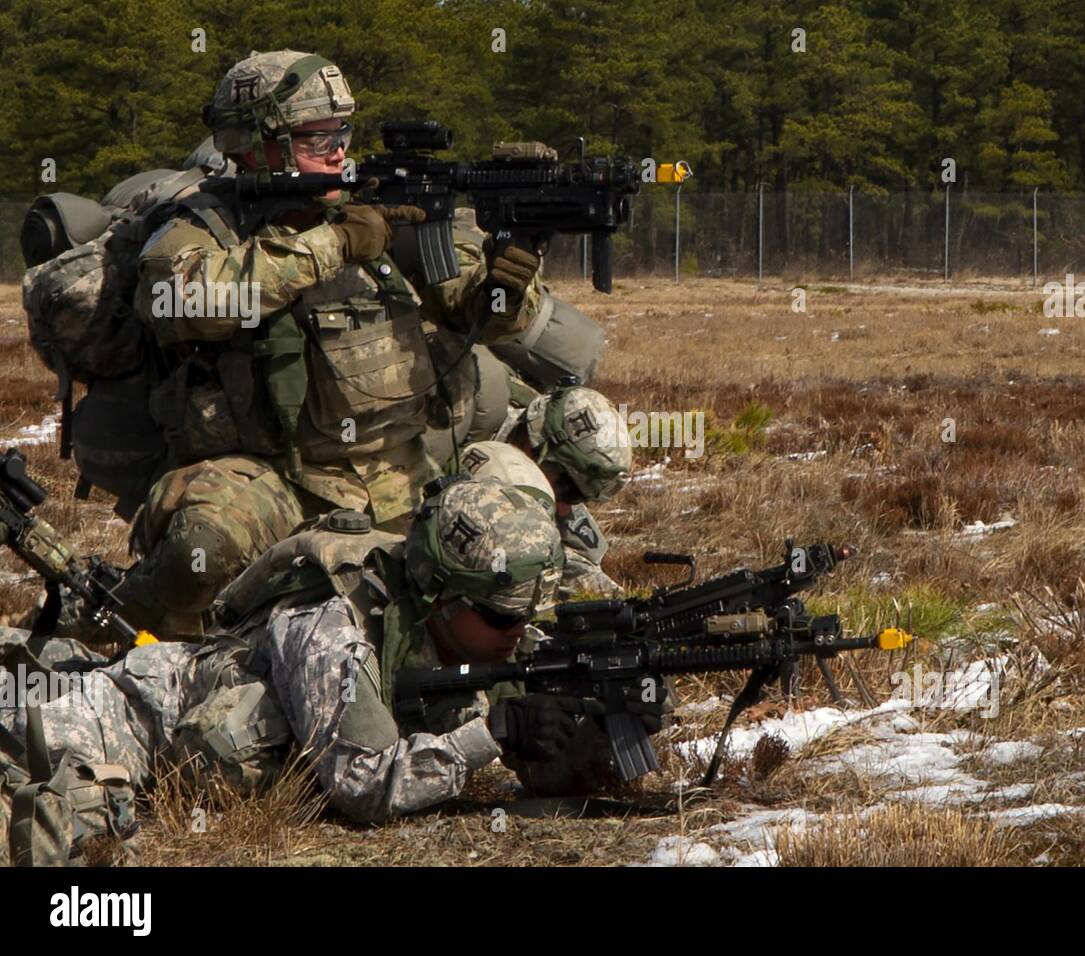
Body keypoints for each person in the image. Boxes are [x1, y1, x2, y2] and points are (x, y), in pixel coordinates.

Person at [0, 476, 662, 866]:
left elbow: (550, 761)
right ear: (440, 593)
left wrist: (597, 719)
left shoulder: (484, 634)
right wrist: (490, 735)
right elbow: (361, 784)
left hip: (164, 772)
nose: (517, 632)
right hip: (119, 725)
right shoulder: (332, 621)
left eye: (524, 614)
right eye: (498, 615)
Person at [111, 49, 544, 638]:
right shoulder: (206, 224)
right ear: (253, 144)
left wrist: (507, 282)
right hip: (275, 482)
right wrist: (335, 244)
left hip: (404, 473)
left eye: (342, 132)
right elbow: (183, 302)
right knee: (204, 547)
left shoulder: (384, 203)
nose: (338, 150)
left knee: (512, 554)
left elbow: (484, 316)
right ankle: (122, 637)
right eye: (316, 138)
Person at [495, 384, 633, 599]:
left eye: (579, 498)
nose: (564, 508)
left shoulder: (546, 475)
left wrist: (624, 607)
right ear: (536, 450)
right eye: (568, 492)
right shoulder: (459, 446)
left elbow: (572, 562)